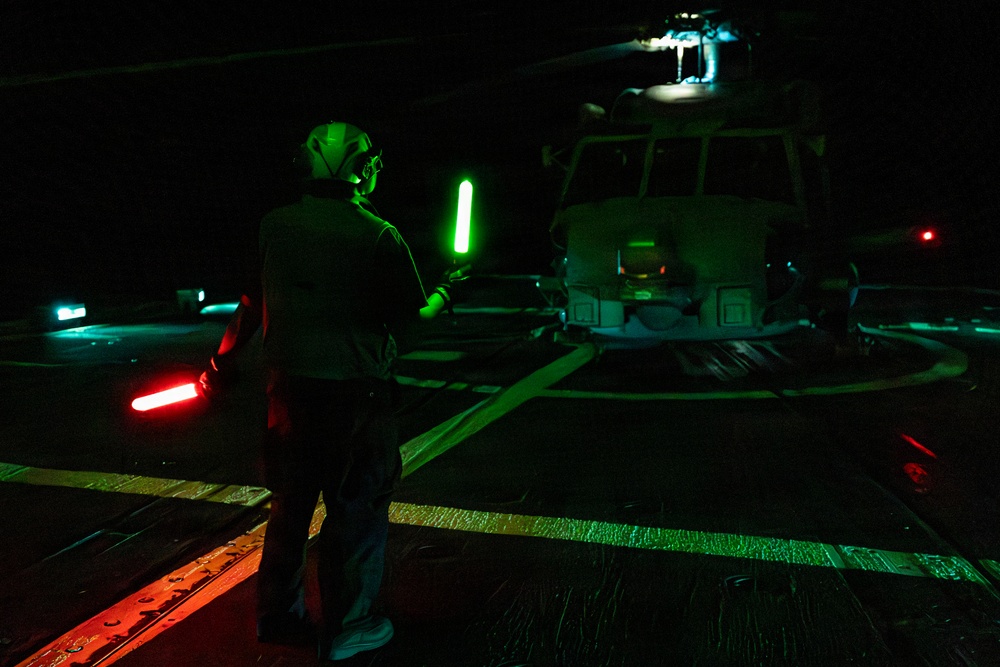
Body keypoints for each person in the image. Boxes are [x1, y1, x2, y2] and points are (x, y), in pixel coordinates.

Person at [199, 121, 455, 661]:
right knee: (357, 510)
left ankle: (278, 614)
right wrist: (445, 293)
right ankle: (349, 624)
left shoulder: (274, 225)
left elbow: (249, 305)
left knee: (289, 508)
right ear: (365, 170)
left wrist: (219, 366)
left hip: (289, 393)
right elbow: (411, 321)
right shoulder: (378, 234)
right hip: (358, 399)